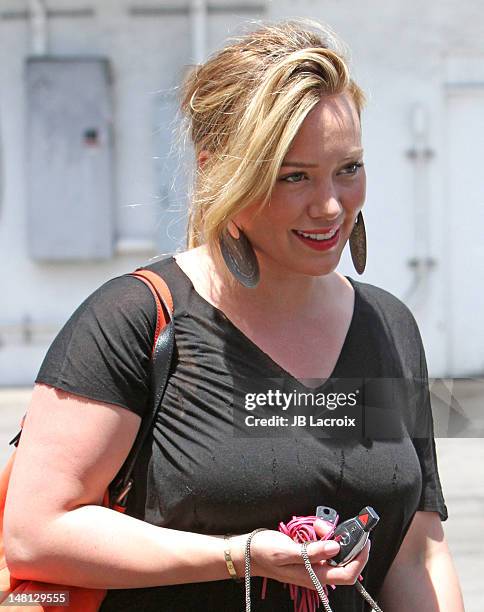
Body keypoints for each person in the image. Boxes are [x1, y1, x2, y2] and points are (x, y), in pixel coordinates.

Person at [4, 19, 464, 612]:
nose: (330, 206)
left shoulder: (389, 326)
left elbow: (416, 552)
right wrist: (237, 553)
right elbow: (35, 531)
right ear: (221, 170)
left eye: (347, 168)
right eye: (293, 176)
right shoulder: (136, 320)